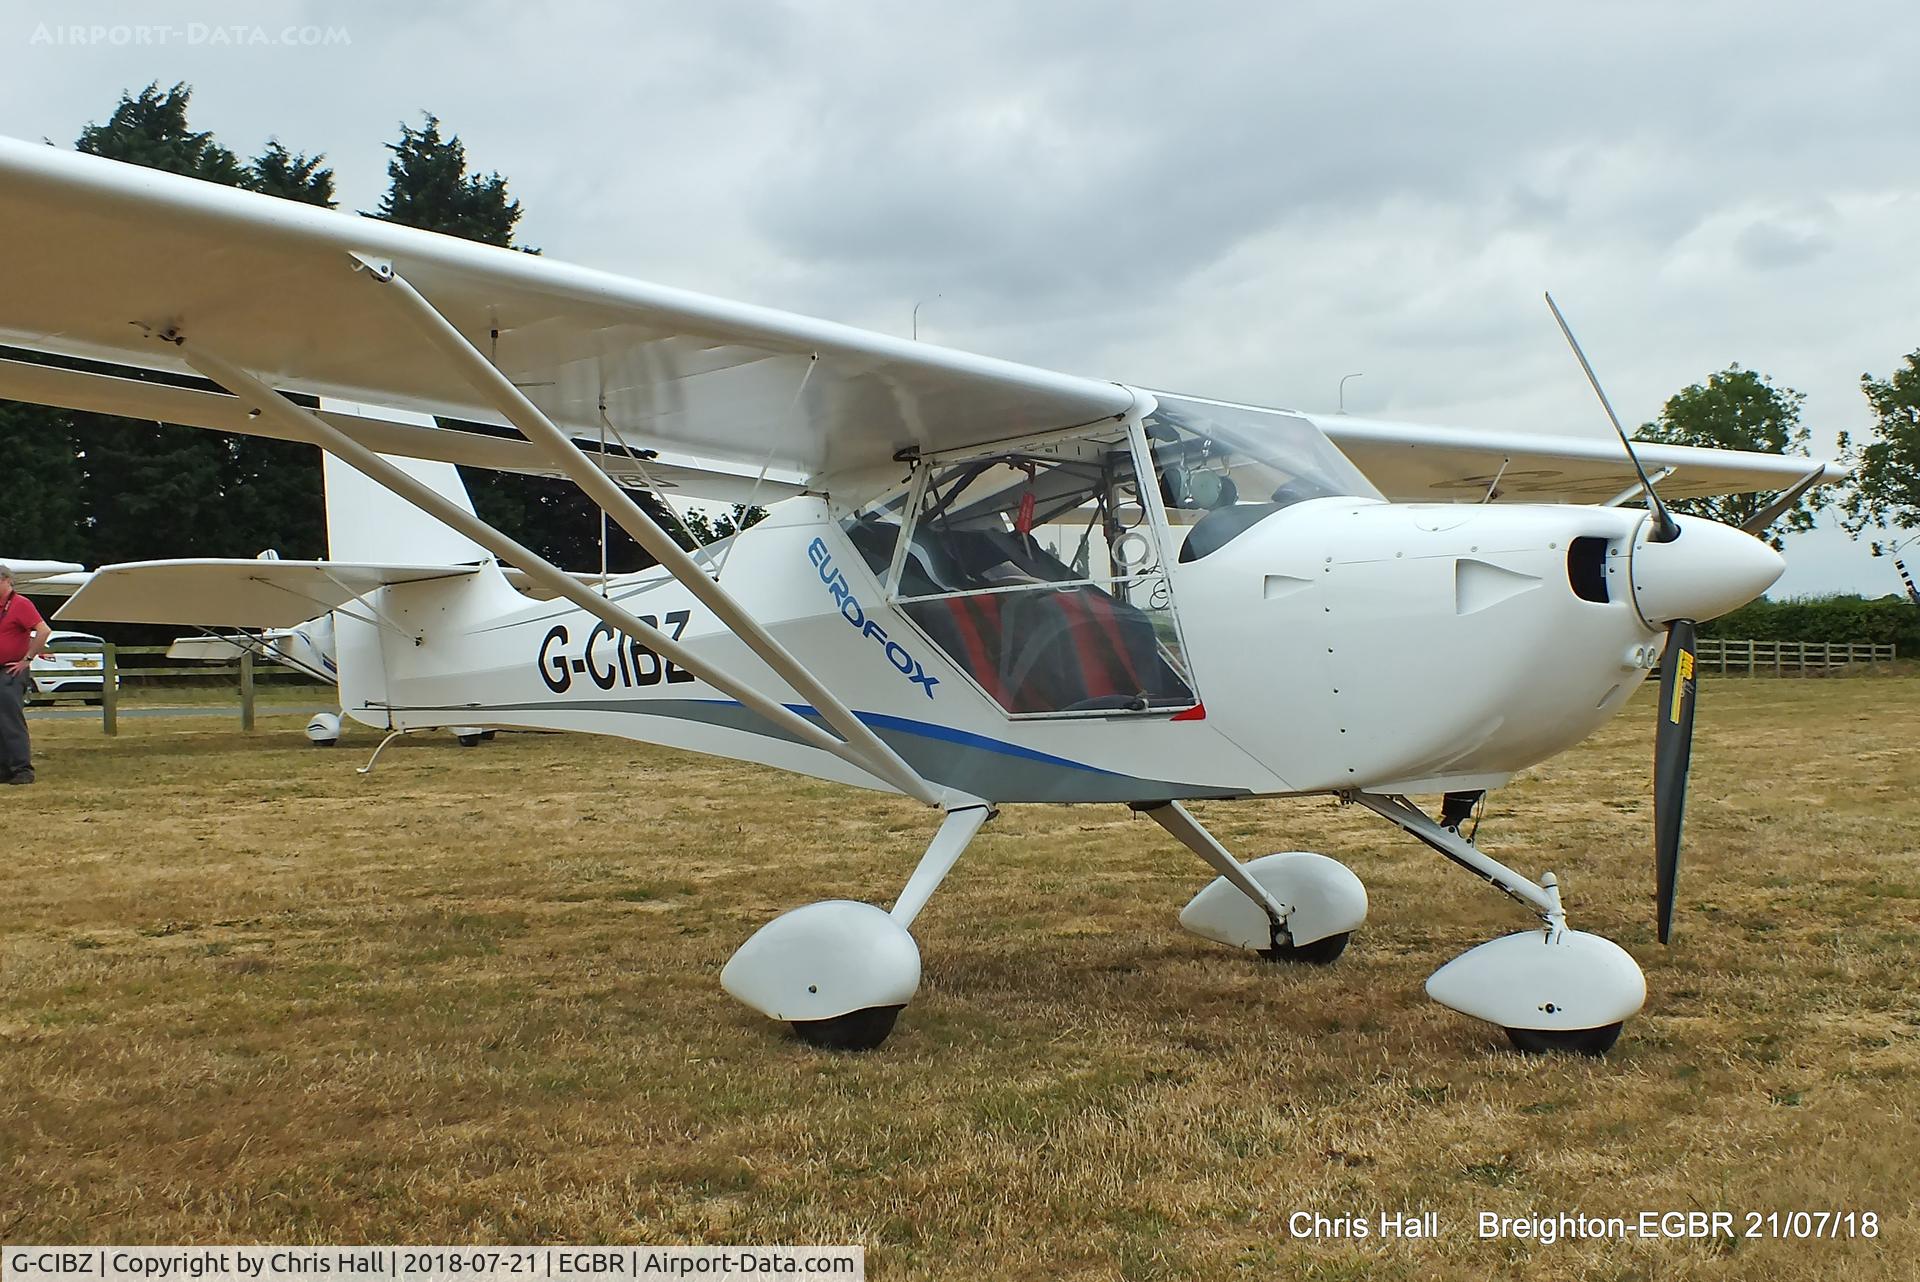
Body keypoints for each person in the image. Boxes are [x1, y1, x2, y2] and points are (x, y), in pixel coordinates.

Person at [0, 564, 53, 784]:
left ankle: (22, 769)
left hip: (10, 671)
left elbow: (43, 630)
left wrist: (27, 659)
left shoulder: (21, 604)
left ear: (6, 580)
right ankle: (4, 769)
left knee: (10, 720)